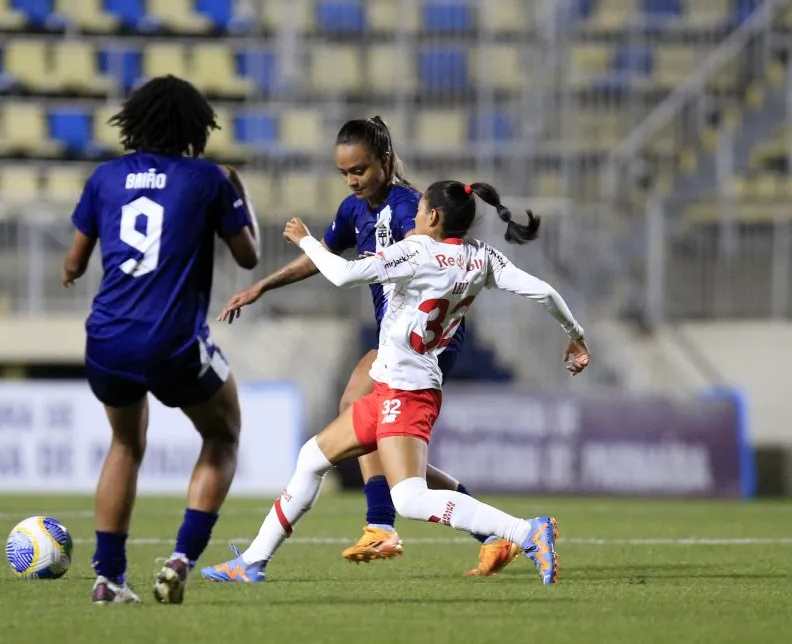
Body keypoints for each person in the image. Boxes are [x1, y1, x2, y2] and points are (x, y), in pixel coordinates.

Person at [202, 179, 590, 586]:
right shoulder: (482, 256)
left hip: (407, 391)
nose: (414, 217)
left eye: (420, 210)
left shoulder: (417, 251)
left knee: (409, 498)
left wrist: (306, 240)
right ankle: (252, 562)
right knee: (312, 458)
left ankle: (525, 532)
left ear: (433, 216)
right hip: (395, 384)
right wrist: (575, 335)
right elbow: (544, 291)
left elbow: (343, 274)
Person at [218, 117, 518, 576]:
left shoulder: (410, 210)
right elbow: (322, 255)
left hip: (422, 343)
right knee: (384, 445)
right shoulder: (354, 209)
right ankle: (490, 534)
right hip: (392, 339)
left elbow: (444, 262)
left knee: (356, 411)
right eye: (344, 172)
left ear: (385, 161)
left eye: (359, 170)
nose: (352, 180)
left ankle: (381, 524)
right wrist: (263, 285)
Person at [62, 75, 260, 605]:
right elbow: (249, 257)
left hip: (107, 338)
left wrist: (70, 272)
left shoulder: (105, 177)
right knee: (223, 435)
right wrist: (239, 192)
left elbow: (73, 263)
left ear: (135, 123)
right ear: (196, 127)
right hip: (171, 338)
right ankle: (180, 558)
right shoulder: (208, 178)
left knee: (125, 444)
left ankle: (108, 579)